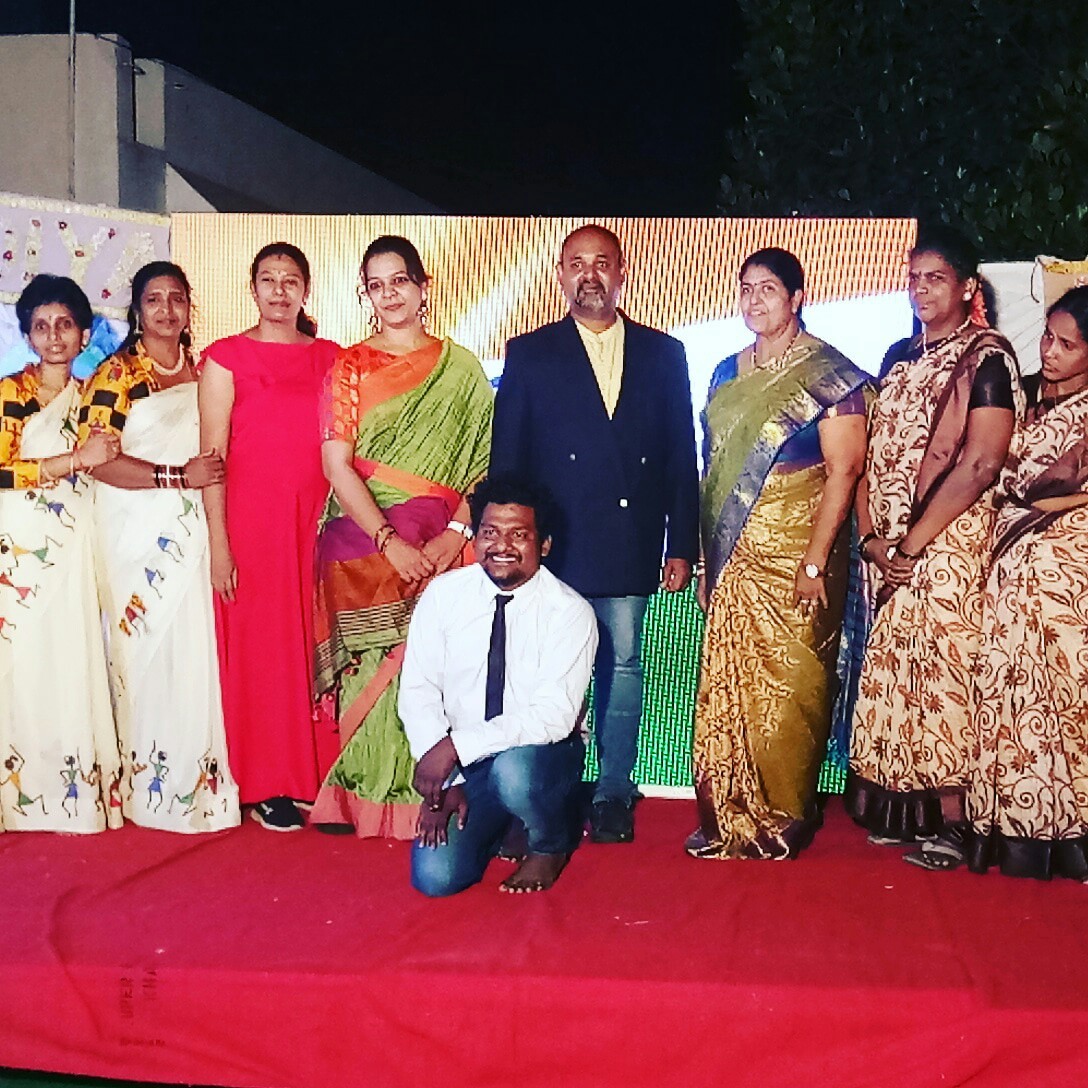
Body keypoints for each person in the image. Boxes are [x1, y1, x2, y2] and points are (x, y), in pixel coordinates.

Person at [490, 224, 699, 844]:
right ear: (560, 275)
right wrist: (507, 544)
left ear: (622, 271)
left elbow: (679, 457)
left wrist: (681, 544)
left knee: (623, 666)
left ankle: (612, 792)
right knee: (542, 672)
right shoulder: (530, 352)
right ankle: (540, 792)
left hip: (629, 537)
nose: (590, 274)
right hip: (551, 546)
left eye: (601, 262)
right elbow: (508, 461)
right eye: (577, 263)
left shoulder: (663, 353)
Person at [847, 226, 1024, 861]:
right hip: (888, 550)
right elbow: (866, 455)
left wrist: (912, 546)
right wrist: (872, 540)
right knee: (901, 679)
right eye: (914, 278)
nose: (921, 290)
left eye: (936, 279)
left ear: (968, 287)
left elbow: (980, 463)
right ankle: (914, 811)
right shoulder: (898, 356)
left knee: (949, 676)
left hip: (950, 545)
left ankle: (960, 821)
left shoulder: (988, 357)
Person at [687, 248, 870, 860]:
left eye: (768, 289)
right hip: (733, 550)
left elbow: (844, 471)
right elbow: (714, 470)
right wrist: (707, 559)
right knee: (730, 678)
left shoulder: (831, 375)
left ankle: (786, 810)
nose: (754, 300)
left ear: (797, 298)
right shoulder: (725, 371)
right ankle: (725, 808)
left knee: (793, 680)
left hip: (799, 551)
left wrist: (814, 561)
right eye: (746, 288)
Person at [309, 235, 493, 838]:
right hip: (364, 538)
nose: (389, 295)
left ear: (423, 287)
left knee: (433, 669)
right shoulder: (349, 367)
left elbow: (487, 465)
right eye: (376, 285)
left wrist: (454, 535)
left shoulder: (462, 370)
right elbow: (337, 465)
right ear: (365, 295)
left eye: (400, 281)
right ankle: (359, 795)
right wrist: (390, 540)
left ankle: (432, 797)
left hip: (446, 538)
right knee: (372, 666)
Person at [78, 261, 240, 832]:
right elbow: (98, 461)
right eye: (154, 299)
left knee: (195, 651)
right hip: (135, 535)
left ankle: (197, 785)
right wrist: (176, 476)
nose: (166, 310)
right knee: (142, 653)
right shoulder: (116, 374)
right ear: (137, 310)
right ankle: (146, 789)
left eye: (176, 298)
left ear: (189, 308)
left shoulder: (205, 371)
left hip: (197, 531)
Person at [199, 243, 340, 831]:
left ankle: (320, 776)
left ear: (306, 290)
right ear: (252, 288)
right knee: (262, 652)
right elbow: (211, 459)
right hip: (252, 524)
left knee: (313, 639)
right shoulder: (225, 358)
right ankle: (265, 783)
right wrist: (220, 545)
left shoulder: (333, 358)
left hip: (319, 521)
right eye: (268, 279)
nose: (279, 291)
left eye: (290, 280)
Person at [402, 476, 598, 895]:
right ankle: (505, 822)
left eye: (519, 535)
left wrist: (454, 748)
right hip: (469, 764)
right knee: (435, 878)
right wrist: (447, 784)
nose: (502, 546)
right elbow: (419, 689)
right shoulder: (444, 595)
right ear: (475, 540)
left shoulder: (569, 612)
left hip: (539, 756)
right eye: (490, 533)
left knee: (515, 773)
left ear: (545, 544)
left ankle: (550, 841)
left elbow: (552, 718)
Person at [964, 286, 1088, 880]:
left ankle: (1072, 833)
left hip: (1063, 574)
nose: (1051, 351)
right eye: (1047, 337)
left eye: (1067, 345)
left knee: (1062, 697)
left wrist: (1045, 503)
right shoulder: (1027, 397)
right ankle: (1014, 831)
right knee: (1010, 694)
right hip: (1009, 569)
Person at [0, 274, 122, 832]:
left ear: (84, 334)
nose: (54, 336)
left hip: (76, 541)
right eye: (42, 326)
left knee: (68, 659)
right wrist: (70, 461)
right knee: (20, 663)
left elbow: (111, 459)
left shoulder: (97, 396)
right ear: (28, 335)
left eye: (65, 325)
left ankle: (68, 791)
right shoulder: (10, 393)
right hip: (20, 547)